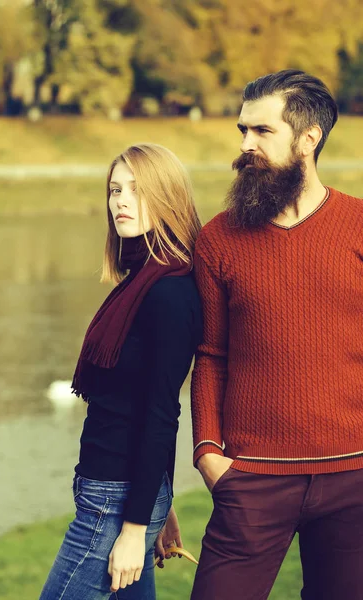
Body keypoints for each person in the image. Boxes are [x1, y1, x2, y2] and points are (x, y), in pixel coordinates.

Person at [190, 69, 363, 600]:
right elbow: (211, 355)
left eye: (262, 132)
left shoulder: (358, 225)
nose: (246, 145)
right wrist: (208, 453)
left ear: (309, 139)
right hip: (251, 482)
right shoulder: (218, 238)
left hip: (353, 480)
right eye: (243, 130)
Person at [39, 143, 203, 600]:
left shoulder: (169, 292)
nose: (121, 201)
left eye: (137, 189)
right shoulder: (140, 279)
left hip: (112, 505)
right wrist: (157, 502)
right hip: (115, 491)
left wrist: (135, 528)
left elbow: (160, 413)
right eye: (115, 190)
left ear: (168, 196)